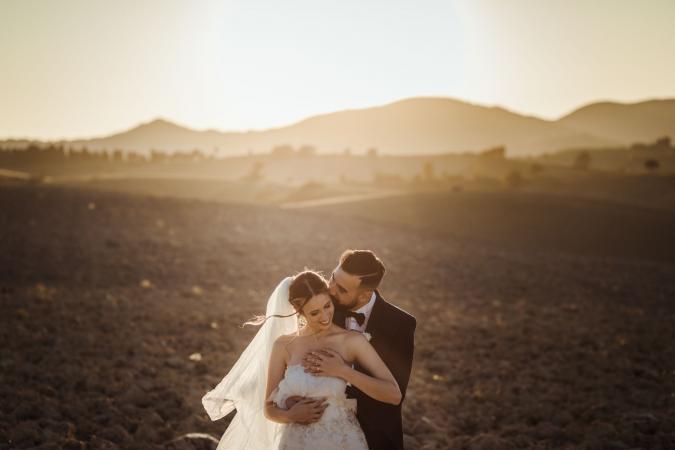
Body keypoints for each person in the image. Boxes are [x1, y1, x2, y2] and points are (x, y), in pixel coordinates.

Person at [202, 270, 401, 449]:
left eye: (327, 305)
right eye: (315, 312)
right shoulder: (284, 346)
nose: (325, 316)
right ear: (299, 311)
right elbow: (268, 408)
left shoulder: (351, 341)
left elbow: (393, 394)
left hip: (341, 442)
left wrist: (343, 371)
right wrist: (290, 415)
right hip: (294, 442)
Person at [298, 250, 416, 450]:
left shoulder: (401, 325)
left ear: (365, 294)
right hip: (323, 431)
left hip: (375, 434)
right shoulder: (323, 309)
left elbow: (394, 395)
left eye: (342, 289)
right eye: (332, 278)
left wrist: (343, 371)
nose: (331, 290)